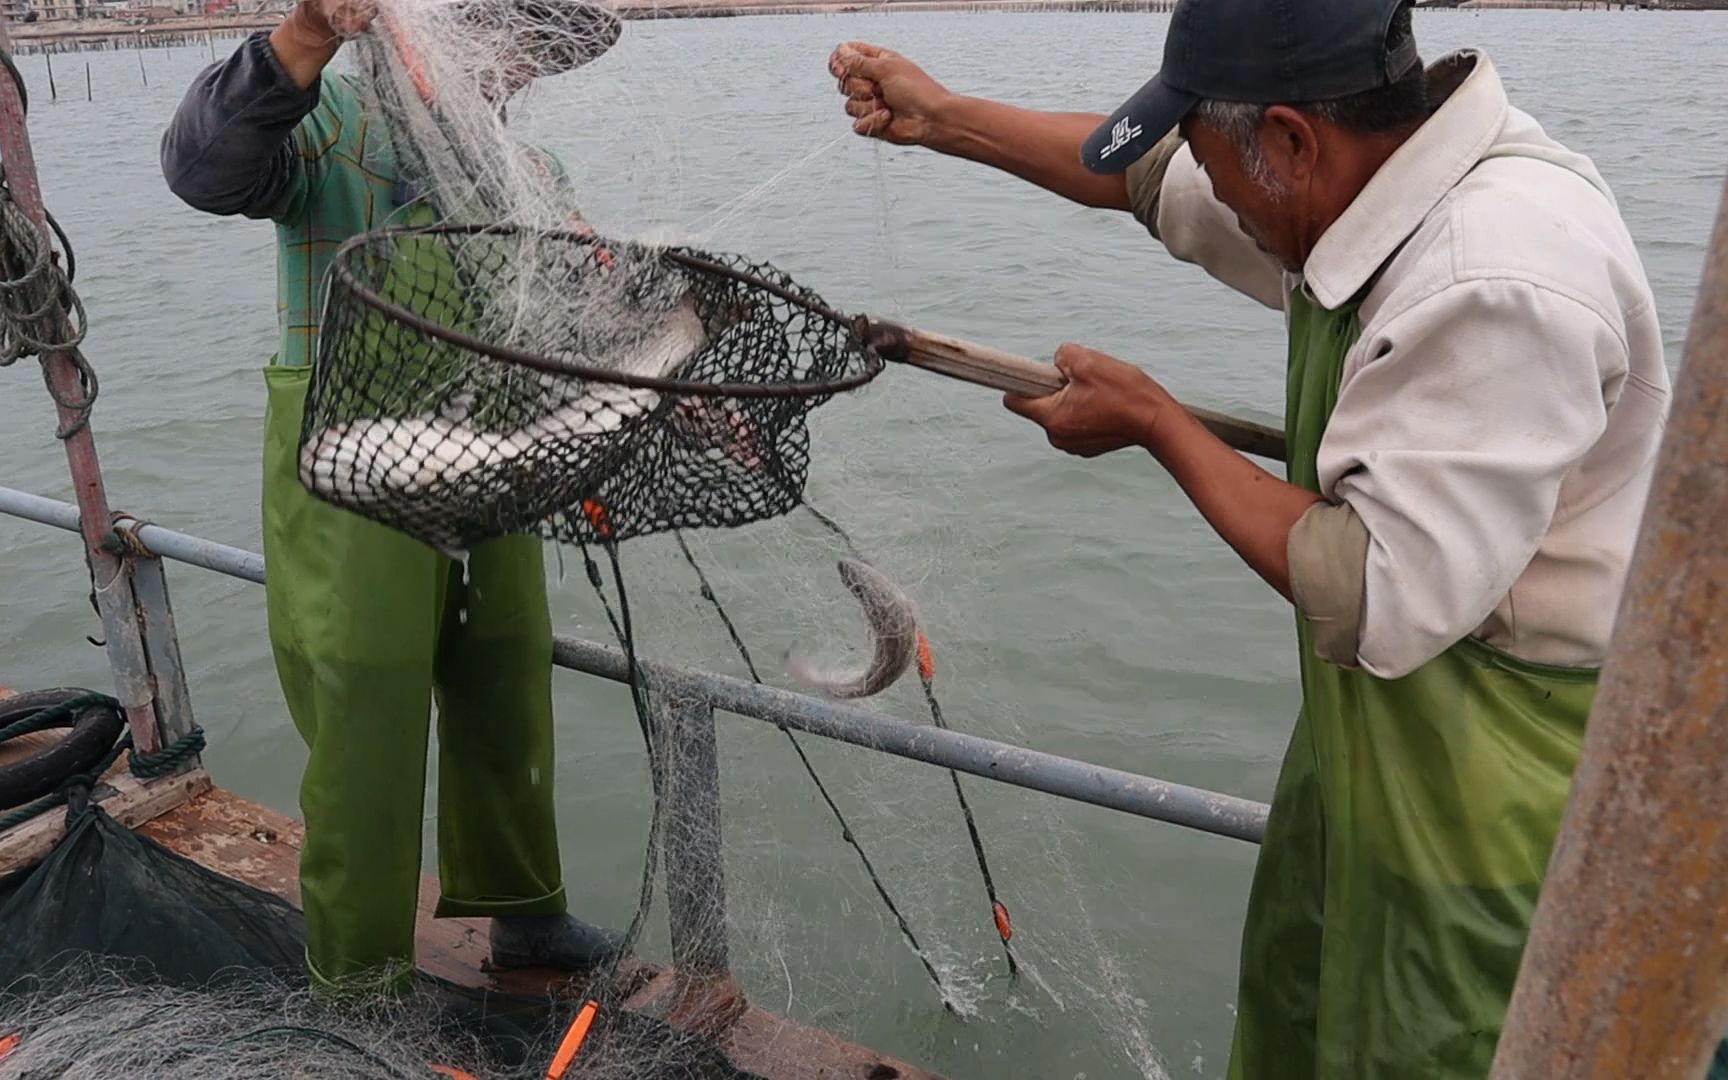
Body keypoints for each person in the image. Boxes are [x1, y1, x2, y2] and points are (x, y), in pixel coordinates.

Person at [831, 0, 1671, 1075]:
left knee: (1433, 1048)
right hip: (1362, 745)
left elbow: (1377, 589)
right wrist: (944, 119)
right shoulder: (1368, 174)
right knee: (1296, 1016)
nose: (1211, 187)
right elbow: (1144, 183)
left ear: (1290, 138)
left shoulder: (1494, 277)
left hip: (1493, 795)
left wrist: (1157, 425)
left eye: (1215, 156)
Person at [160, 0, 626, 992]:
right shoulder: (333, 124)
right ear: (445, 34)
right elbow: (201, 170)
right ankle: (360, 981)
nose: (516, 64)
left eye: (540, 48)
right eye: (509, 34)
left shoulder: (532, 177)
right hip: (347, 460)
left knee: (506, 679)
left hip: (493, 459)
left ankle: (524, 916)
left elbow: (581, 328)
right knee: (366, 709)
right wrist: (306, 33)